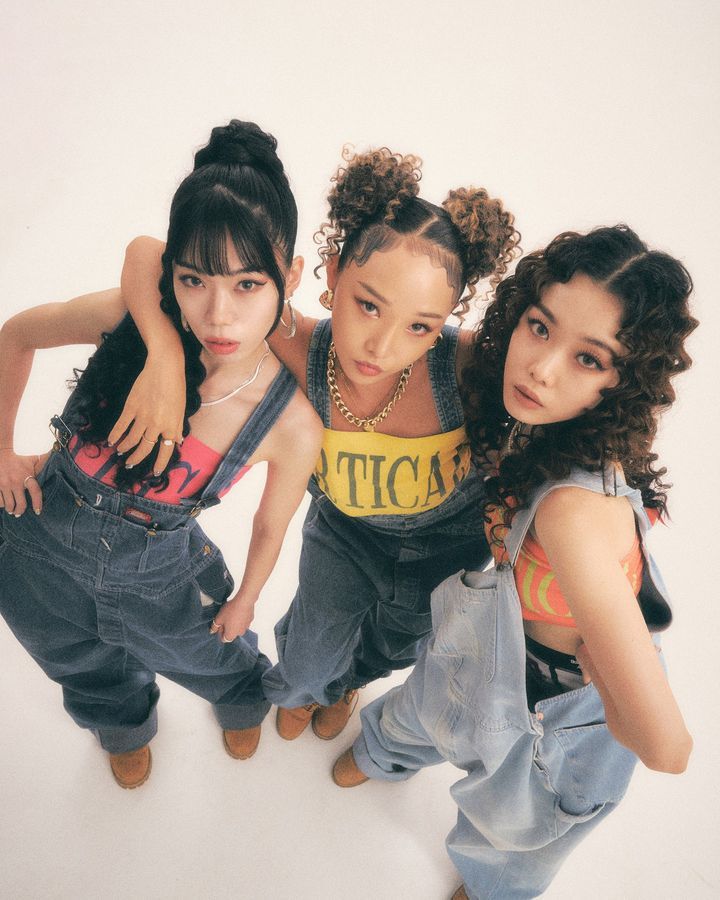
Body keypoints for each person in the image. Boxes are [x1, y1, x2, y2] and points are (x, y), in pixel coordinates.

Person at [330, 225, 695, 899]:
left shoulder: (572, 515)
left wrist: (606, 684)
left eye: (588, 359)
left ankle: (491, 887)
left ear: (623, 382)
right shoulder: (534, 408)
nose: (541, 368)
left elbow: (668, 748)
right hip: (480, 637)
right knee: (418, 711)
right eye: (540, 327)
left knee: (514, 830)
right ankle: (382, 756)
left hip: (553, 708)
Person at [116, 145, 520, 742]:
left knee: (395, 644)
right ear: (331, 275)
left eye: (419, 325)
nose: (381, 346)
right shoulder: (292, 337)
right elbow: (148, 252)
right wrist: (163, 354)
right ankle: (310, 687)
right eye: (368, 305)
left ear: (448, 317)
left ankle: (348, 683)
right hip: (345, 534)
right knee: (307, 658)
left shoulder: (466, 365)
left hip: (448, 544)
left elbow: (556, 378)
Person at [0, 120, 322, 788]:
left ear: (289, 276)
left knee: (216, 655)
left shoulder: (289, 420)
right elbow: (16, 335)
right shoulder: (132, 322)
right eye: (194, 279)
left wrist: (249, 598)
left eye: (248, 284)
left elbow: (271, 524)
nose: (218, 315)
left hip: (161, 579)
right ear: (172, 271)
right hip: (36, 550)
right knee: (74, 661)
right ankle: (122, 725)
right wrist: (1, 448)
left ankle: (240, 704)